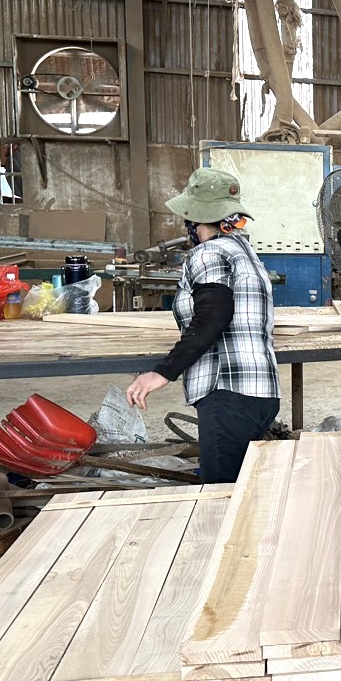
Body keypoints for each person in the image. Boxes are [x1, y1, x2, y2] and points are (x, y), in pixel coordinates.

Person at [125, 167, 280, 483]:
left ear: (195, 219)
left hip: (227, 392)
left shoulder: (208, 253)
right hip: (260, 392)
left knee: (220, 496)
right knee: (244, 490)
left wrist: (162, 372)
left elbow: (213, 315)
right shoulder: (244, 251)